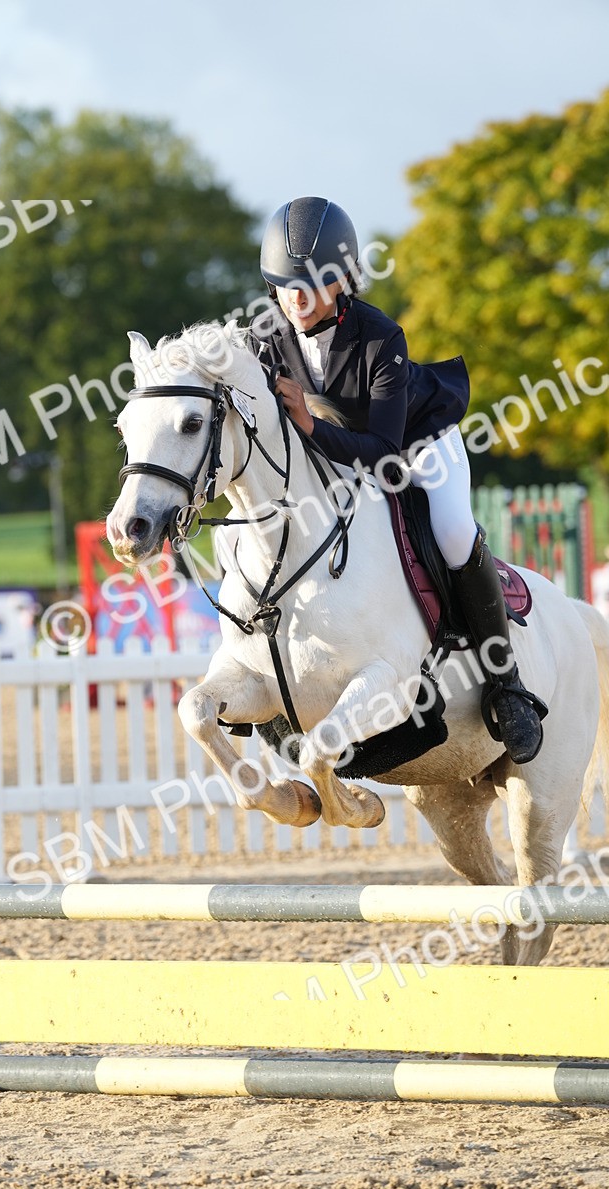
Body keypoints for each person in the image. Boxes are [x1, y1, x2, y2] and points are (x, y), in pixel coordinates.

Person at [247, 195, 547, 764]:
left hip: (418, 445)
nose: (298, 299)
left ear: (342, 283)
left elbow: (383, 451)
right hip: (335, 455)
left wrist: (308, 422)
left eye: (313, 284)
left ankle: (507, 686)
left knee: (454, 532)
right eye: (287, 285)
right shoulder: (268, 341)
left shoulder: (381, 337)